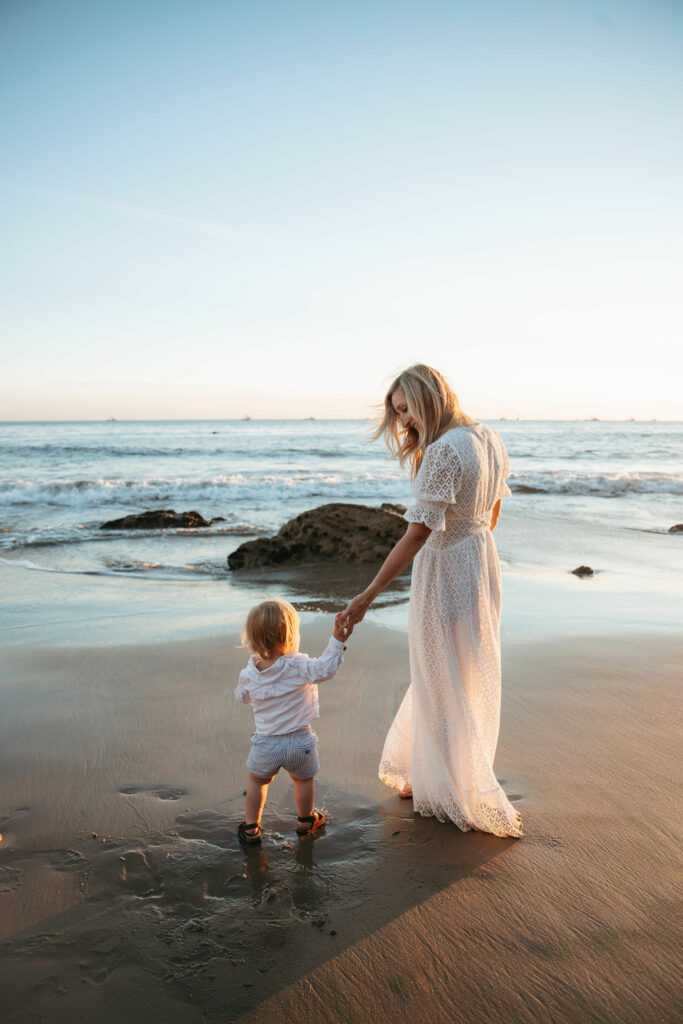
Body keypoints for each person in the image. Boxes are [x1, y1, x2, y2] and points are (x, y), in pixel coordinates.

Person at [341, 364, 523, 838]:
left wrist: (366, 597)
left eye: (406, 409)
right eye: (397, 413)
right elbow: (493, 515)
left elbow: (417, 535)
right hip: (480, 564)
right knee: (465, 669)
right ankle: (439, 773)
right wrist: (470, 549)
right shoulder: (489, 438)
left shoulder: (442, 452)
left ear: (429, 397)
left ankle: (444, 786)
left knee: (439, 671)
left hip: (444, 571)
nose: (402, 422)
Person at [234, 598, 350, 844]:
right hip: (300, 742)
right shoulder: (298, 665)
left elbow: (241, 697)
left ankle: (251, 828)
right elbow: (325, 669)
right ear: (290, 635)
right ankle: (305, 821)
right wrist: (337, 640)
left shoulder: (250, 672)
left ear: (253, 638)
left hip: (266, 744)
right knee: (303, 779)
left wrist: (257, 694)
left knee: (257, 781)